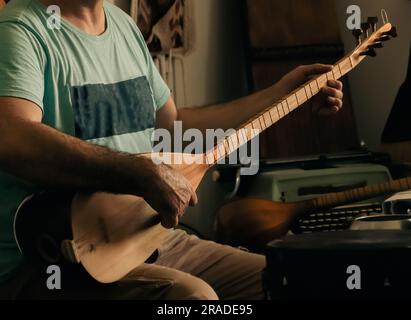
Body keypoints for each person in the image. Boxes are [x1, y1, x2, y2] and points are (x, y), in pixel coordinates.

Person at [0, 0, 344, 300]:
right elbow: (12, 138)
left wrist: (281, 93)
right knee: (192, 299)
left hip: (146, 239)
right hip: (58, 260)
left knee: (293, 281)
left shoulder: (122, 24)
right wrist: (139, 174)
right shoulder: (21, 29)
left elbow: (174, 127)